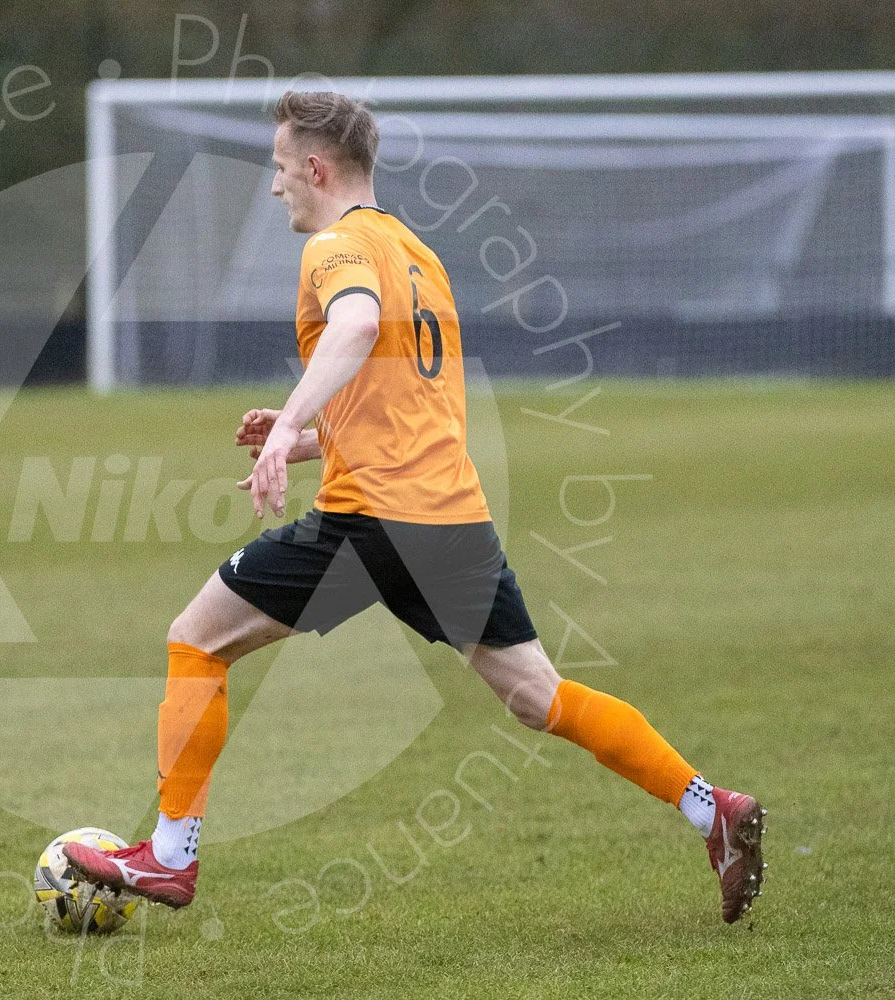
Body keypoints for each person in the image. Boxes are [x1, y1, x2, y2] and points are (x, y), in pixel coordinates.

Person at [64, 91, 766, 924]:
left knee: (197, 639)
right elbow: (405, 403)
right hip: (454, 520)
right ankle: (708, 806)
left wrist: (290, 421)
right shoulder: (417, 254)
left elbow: (354, 327)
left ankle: (167, 859)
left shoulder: (336, 247)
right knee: (537, 695)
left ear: (316, 168)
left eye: (282, 168)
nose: (275, 185)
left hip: (373, 521)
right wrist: (311, 437)